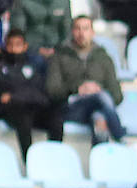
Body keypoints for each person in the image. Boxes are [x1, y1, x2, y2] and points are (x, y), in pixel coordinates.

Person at [45, 16, 125, 144]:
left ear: (92, 32)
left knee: (99, 116)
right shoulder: (59, 56)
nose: (81, 33)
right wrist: (78, 89)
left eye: (85, 29)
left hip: (96, 109)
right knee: (102, 97)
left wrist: (96, 89)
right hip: (70, 108)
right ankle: (121, 137)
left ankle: (99, 160)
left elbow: (117, 96)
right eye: (77, 29)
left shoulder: (104, 58)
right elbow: (52, 90)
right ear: (72, 32)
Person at [0, 29, 52, 160]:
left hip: (32, 108)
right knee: (23, 116)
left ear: (25, 46)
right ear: (5, 46)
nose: (13, 49)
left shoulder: (33, 69)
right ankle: (29, 162)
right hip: (8, 111)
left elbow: (43, 96)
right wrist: (1, 100)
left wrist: (17, 96)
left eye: (18, 45)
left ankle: (54, 159)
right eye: (10, 45)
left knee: (56, 119)